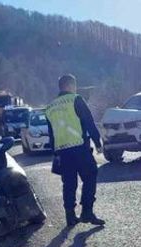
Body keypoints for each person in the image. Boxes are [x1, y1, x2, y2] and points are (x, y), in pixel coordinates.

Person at [46, 74, 105, 226]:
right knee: (90, 175)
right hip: (79, 147)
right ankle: (87, 212)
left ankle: (70, 216)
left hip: (62, 151)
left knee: (69, 183)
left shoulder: (50, 107)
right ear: (71, 85)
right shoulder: (76, 99)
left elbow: (51, 133)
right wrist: (97, 142)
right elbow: (88, 121)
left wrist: (55, 153)